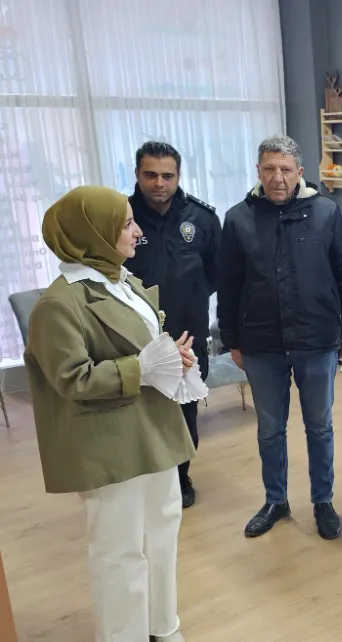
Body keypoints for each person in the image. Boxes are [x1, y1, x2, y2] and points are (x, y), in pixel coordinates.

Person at [24, 185, 207, 641]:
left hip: (153, 430)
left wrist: (171, 359)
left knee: (162, 533)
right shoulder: (58, 304)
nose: (138, 231)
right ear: (93, 233)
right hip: (109, 445)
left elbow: (143, 349)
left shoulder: (124, 282)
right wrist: (142, 368)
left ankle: (163, 625)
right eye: (126, 223)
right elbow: (73, 380)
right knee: (119, 549)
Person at [217, 135, 342, 540]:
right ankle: (275, 500)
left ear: (300, 172)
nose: (278, 177)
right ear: (258, 171)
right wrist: (232, 340)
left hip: (317, 340)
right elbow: (228, 285)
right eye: (269, 169)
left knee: (320, 426)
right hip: (261, 344)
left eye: (286, 169)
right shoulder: (238, 219)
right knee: (270, 429)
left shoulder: (326, 213)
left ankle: (323, 500)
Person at [125, 141, 221, 509]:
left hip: (187, 335)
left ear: (178, 176)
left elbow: (216, 274)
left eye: (167, 176)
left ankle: (180, 479)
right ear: (137, 174)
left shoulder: (202, 218)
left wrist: (189, 297)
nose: (159, 183)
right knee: (140, 414)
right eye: (150, 175)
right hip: (135, 338)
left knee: (184, 415)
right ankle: (145, 481)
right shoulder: (121, 217)